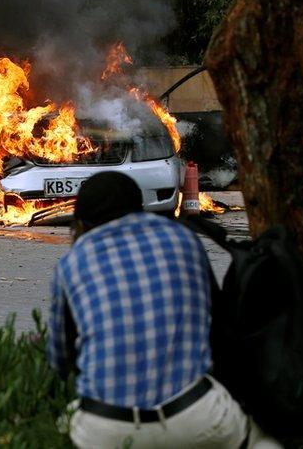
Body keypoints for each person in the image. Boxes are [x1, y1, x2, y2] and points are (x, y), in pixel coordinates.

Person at [47, 171, 248, 448]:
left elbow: (60, 360)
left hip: (108, 429)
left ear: (80, 224)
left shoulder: (71, 264)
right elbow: (220, 325)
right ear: (139, 209)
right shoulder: (184, 239)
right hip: (195, 417)